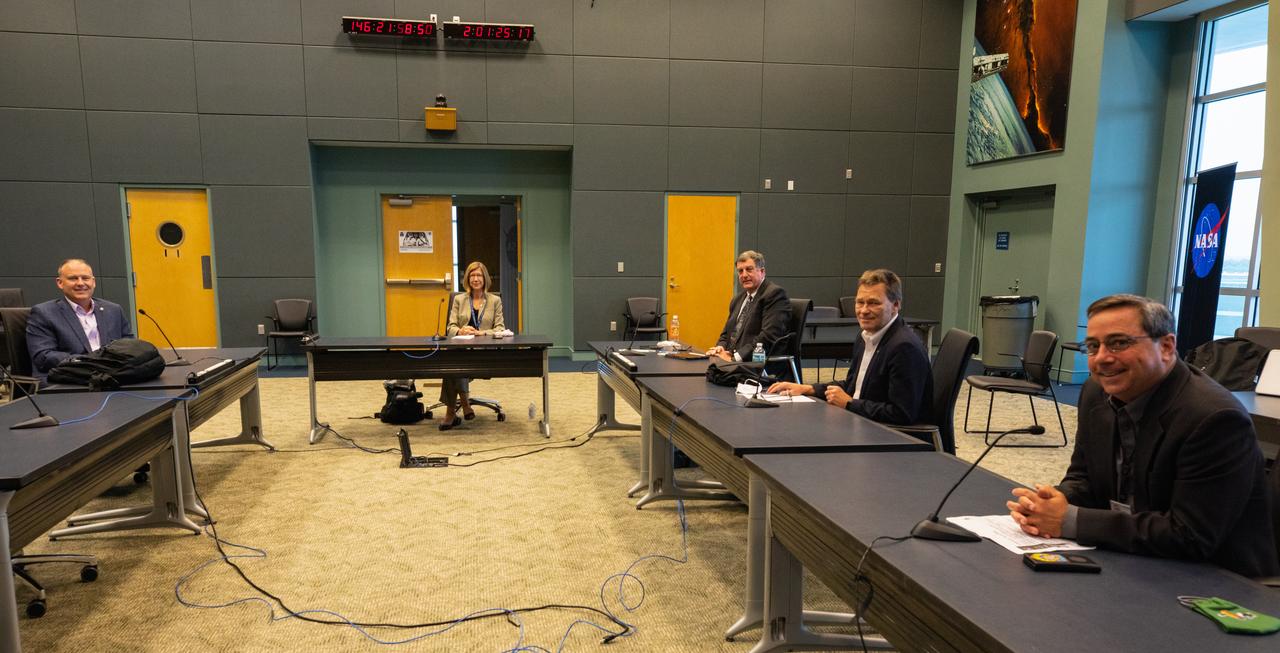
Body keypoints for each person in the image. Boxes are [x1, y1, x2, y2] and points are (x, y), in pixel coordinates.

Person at [1007, 294, 1278, 578]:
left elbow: (1190, 534)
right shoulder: (1096, 393)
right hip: (1132, 555)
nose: (1102, 358)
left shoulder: (1214, 419)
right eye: (1093, 346)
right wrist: (1050, 503)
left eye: (1119, 343)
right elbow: (1084, 477)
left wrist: (1071, 520)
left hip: (1217, 579)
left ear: (1166, 347)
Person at [767, 269, 931, 426]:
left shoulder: (904, 348)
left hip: (887, 435)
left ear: (895, 305)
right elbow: (853, 385)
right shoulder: (865, 337)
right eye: (860, 302)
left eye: (873, 303)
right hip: (861, 421)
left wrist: (849, 403)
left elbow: (902, 413)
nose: (864, 310)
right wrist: (807, 388)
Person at [27, 258, 134, 378]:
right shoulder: (44, 313)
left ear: (93, 282)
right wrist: (89, 361)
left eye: (85, 278)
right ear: (60, 283)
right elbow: (43, 356)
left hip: (112, 375)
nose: (80, 283)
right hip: (69, 378)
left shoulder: (114, 310)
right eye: (73, 278)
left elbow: (130, 346)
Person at [439, 261, 505, 431]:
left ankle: (451, 412)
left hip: (484, 352)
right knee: (453, 361)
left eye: (479, 275)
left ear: (485, 278)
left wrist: (482, 333)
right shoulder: (459, 300)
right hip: (461, 349)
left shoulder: (495, 301)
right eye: (472, 275)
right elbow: (450, 328)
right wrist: (460, 330)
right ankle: (464, 405)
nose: (475, 279)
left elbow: (500, 329)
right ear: (468, 279)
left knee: (453, 364)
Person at [707, 250, 791, 362]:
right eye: (740, 271)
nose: (744, 275)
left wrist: (735, 358)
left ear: (762, 271)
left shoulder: (774, 294)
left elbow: (768, 336)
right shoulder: (738, 299)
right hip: (733, 359)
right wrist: (720, 348)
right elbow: (726, 333)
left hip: (756, 362)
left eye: (749, 269)